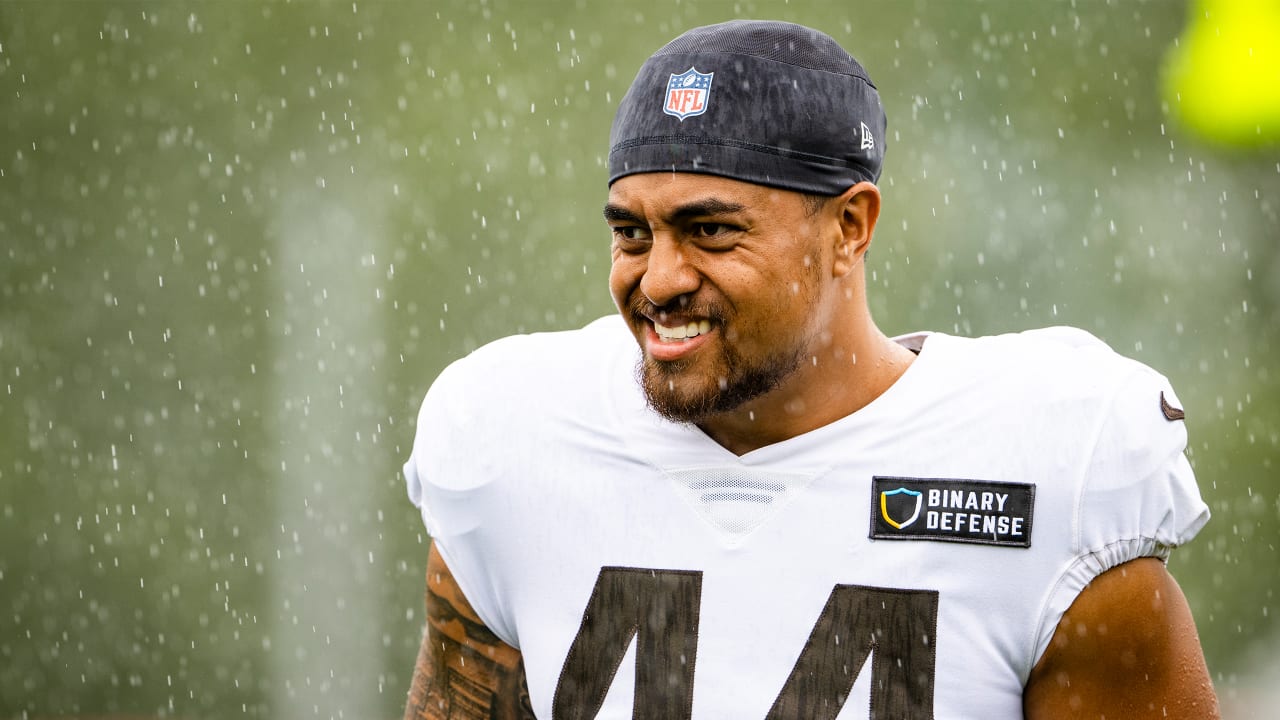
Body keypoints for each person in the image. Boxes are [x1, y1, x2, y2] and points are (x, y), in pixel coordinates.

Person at [401, 19, 1219, 719]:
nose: (657, 281)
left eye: (711, 231)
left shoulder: (1051, 465)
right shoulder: (517, 442)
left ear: (850, 227)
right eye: (632, 233)